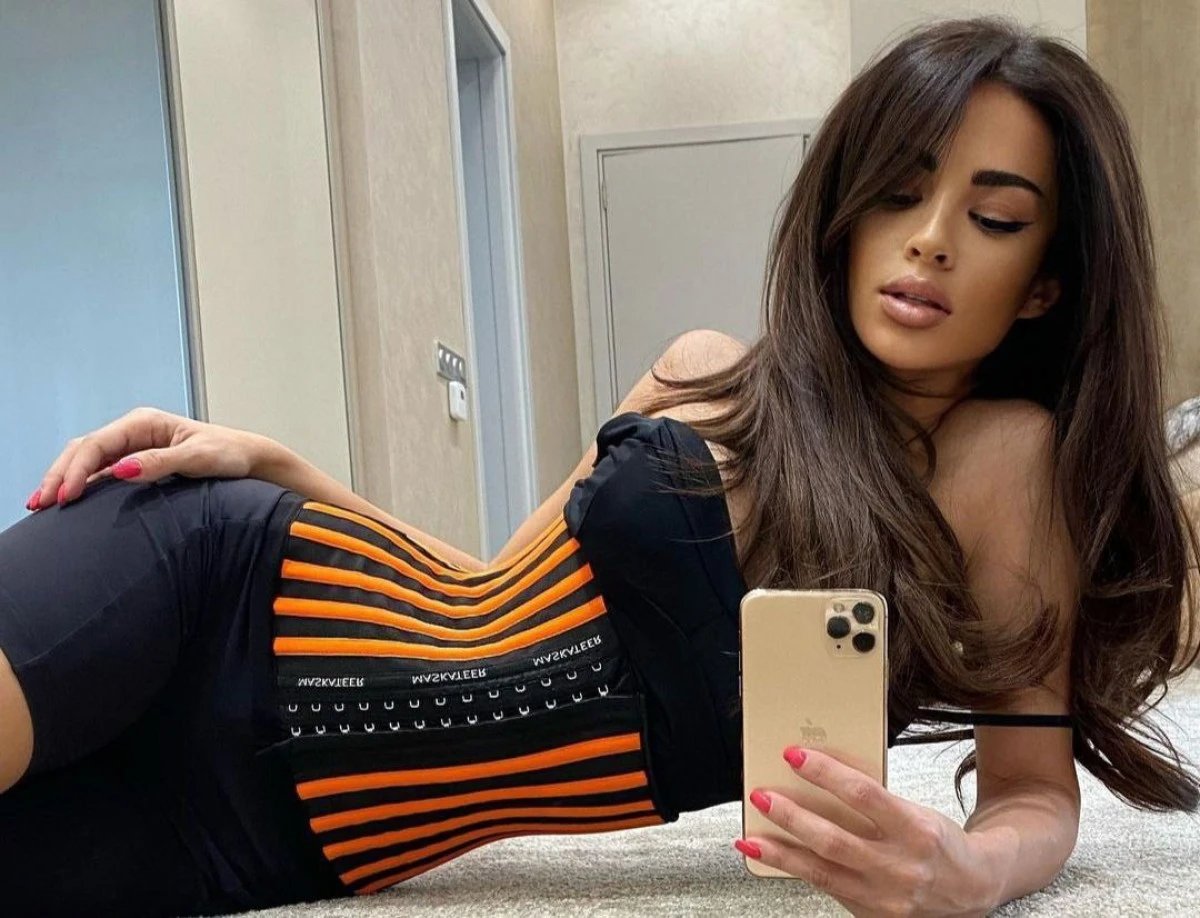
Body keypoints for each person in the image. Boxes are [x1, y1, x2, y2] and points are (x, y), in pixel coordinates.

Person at [1, 14, 1197, 918]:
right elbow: (478, 598)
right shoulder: (705, 375)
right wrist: (278, 467)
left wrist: (968, 873)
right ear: (845, 214)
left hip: (273, 837)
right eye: (899, 190)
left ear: (1045, 283)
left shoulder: (1007, 461)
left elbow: (1033, 791)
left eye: (994, 218)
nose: (930, 238)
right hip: (210, 584)